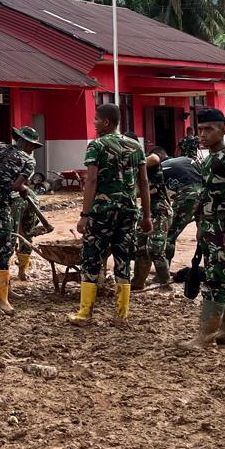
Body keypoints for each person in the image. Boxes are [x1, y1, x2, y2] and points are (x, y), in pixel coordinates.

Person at [71, 103, 152, 325]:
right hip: (128, 212)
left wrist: (84, 214)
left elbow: (92, 181)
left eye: (96, 119)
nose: (94, 123)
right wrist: (147, 215)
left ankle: (85, 313)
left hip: (102, 212)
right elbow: (143, 182)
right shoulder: (136, 146)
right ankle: (121, 315)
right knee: (123, 259)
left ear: (106, 122)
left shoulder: (97, 146)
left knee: (91, 259)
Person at [184, 107, 225, 349]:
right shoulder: (209, 160)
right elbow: (205, 195)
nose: (203, 134)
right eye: (200, 130)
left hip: (223, 226)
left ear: (223, 129)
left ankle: (205, 336)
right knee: (224, 277)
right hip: (210, 226)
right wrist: (200, 224)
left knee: (215, 279)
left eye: (209, 129)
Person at [0, 126, 44, 314]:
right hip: (1, 203)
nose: (33, 150)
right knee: (4, 246)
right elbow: (15, 186)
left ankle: (5, 288)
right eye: (33, 146)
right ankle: (1, 299)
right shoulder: (28, 161)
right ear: (27, 143)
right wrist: (24, 190)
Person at [154, 154, 205, 281]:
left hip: (189, 194)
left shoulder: (159, 169)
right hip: (204, 193)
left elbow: (161, 197)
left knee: (169, 233)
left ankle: (162, 275)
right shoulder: (181, 162)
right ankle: (210, 270)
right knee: (204, 233)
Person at [132, 148, 172, 290]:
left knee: (155, 249)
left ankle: (166, 284)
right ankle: (138, 282)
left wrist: (132, 163)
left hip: (160, 210)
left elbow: (155, 157)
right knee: (140, 248)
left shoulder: (151, 160)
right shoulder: (135, 172)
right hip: (146, 211)